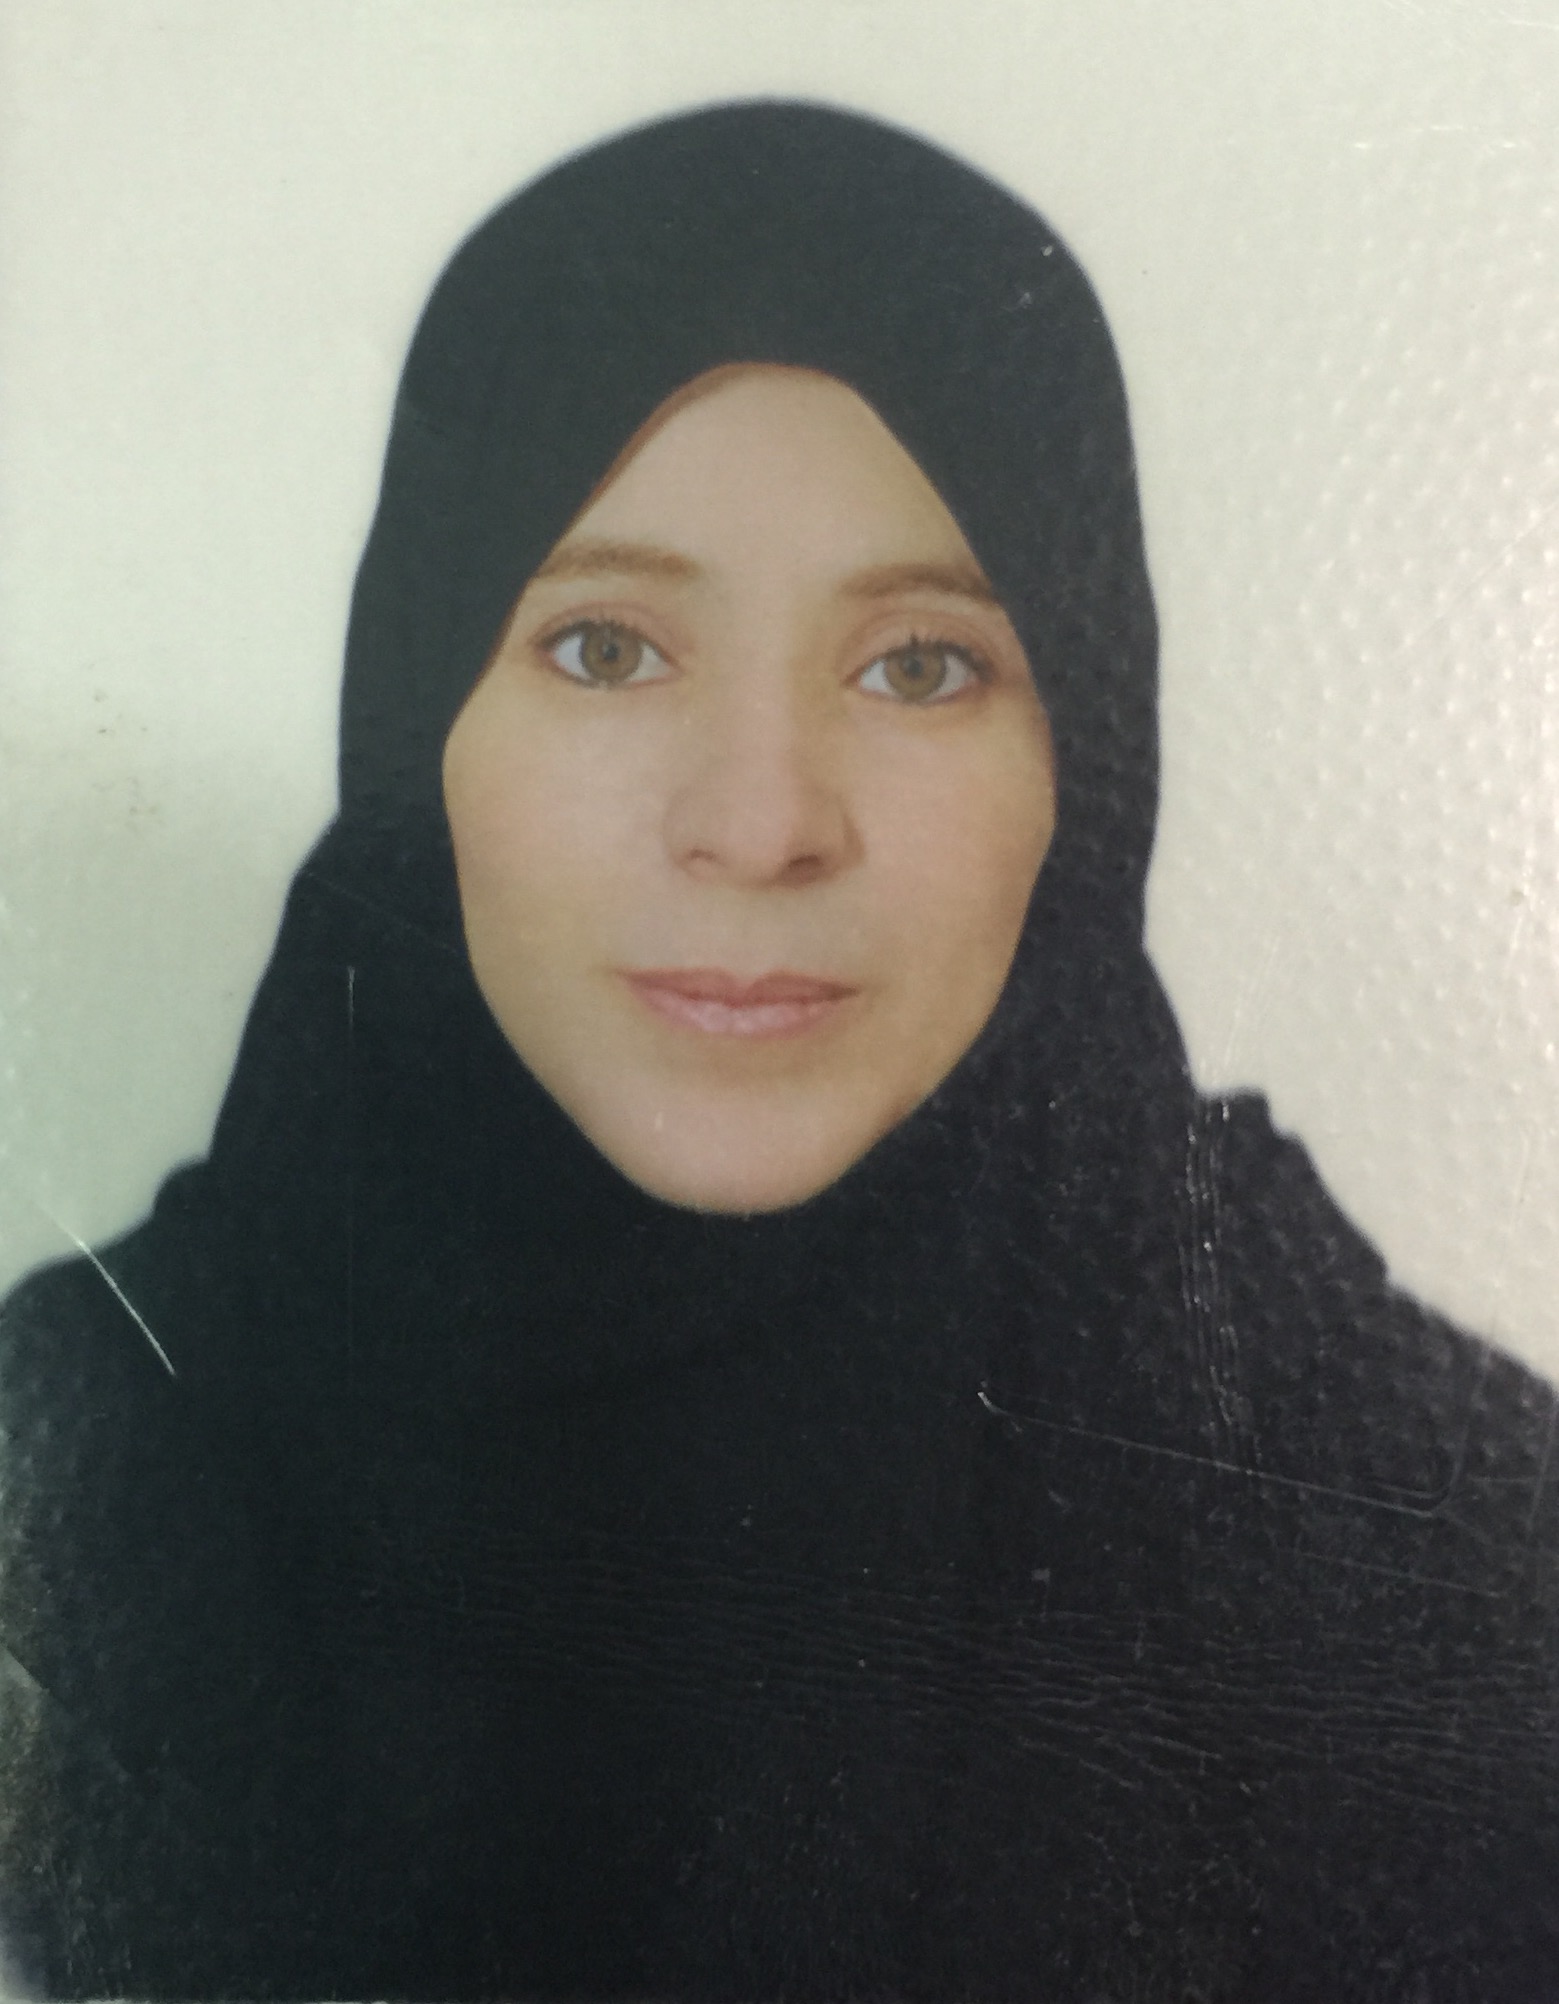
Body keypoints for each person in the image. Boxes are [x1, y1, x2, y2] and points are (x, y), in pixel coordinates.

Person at [2, 101, 1556, 2002]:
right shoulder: (68, 1482)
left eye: (919, 664)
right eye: (606, 648)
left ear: (1086, 769)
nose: (759, 824)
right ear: (419, 732)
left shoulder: (1428, 1543)